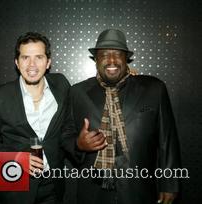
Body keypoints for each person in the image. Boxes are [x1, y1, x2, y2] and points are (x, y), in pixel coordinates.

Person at [61, 29, 181, 204]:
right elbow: (65, 135)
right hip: (93, 192)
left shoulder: (154, 89)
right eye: (104, 55)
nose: (111, 60)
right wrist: (78, 145)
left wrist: (169, 183)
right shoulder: (77, 92)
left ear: (126, 59)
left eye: (117, 54)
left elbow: (167, 140)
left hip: (139, 189)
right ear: (96, 60)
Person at [0, 32, 70, 204]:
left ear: (48, 62)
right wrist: (17, 158)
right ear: (17, 63)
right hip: (14, 183)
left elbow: (82, 95)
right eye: (25, 58)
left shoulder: (61, 85)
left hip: (52, 185)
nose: (32, 64)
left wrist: (128, 76)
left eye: (39, 57)